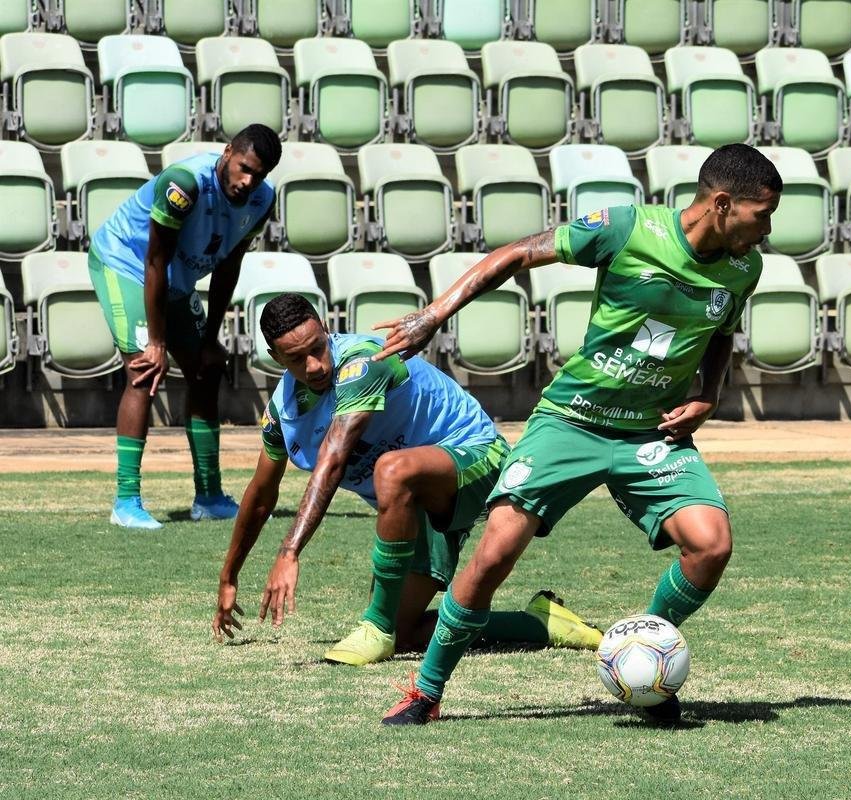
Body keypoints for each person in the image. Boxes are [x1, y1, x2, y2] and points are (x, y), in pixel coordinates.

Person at [373, 143, 782, 726]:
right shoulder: (625, 227)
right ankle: (426, 692)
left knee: (711, 543)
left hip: (651, 435)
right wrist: (433, 315)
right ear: (721, 203)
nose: (767, 229)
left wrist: (707, 395)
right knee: (493, 554)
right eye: (761, 214)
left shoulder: (746, 267)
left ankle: (642, 657)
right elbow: (518, 255)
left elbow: (720, 332)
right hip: (573, 421)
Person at [212, 293, 602, 666]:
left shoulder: (363, 362)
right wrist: (229, 576)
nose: (315, 365)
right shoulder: (282, 415)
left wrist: (289, 552)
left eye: (317, 347)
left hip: (476, 456)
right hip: (414, 503)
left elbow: (332, 459)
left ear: (327, 329)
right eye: (297, 358)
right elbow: (261, 494)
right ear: (274, 357)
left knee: (392, 469)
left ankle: (376, 627)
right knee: (409, 632)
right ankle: (539, 622)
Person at [89, 124, 283, 529]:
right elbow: (155, 259)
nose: (248, 182)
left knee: (207, 367)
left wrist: (210, 338)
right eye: (244, 168)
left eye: (259, 175)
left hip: (173, 279)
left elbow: (229, 265)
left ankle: (209, 495)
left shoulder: (262, 201)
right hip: (125, 264)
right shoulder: (184, 184)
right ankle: (126, 501)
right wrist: (157, 342)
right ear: (227, 152)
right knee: (144, 367)